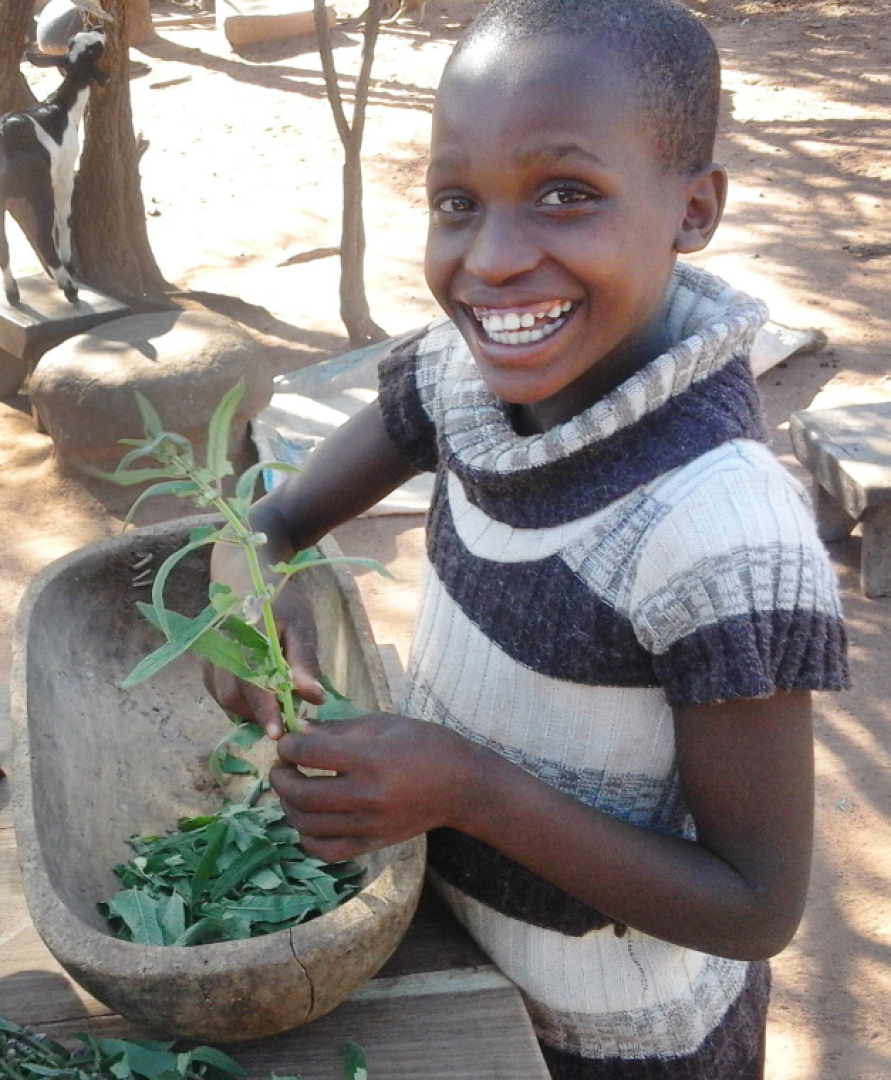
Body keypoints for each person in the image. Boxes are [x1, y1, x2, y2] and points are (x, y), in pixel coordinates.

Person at [206, 1, 850, 1076]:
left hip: (620, 1046)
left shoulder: (722, 536)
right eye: (457, 201)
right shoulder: (464, 379)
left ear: (694, 210)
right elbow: (269, 517)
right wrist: (251, 593)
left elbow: (754, 908)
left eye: (566, 194)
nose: (494, 259)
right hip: (457, 956)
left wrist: (471, 790)